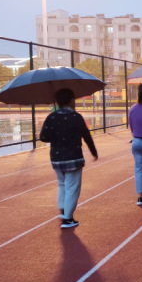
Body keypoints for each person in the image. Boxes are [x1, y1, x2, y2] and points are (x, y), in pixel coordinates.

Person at [39, 88, 99, 229]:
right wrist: (93, 151)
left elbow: (43, 137)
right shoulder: (76, 117)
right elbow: (86, 136)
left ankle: (63, 209)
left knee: (62, 184)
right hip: (73, 158)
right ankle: (68, 218)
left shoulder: (51, 117)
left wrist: (56, 134)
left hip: (57, 158)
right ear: (71, 101)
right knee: (72, 188)